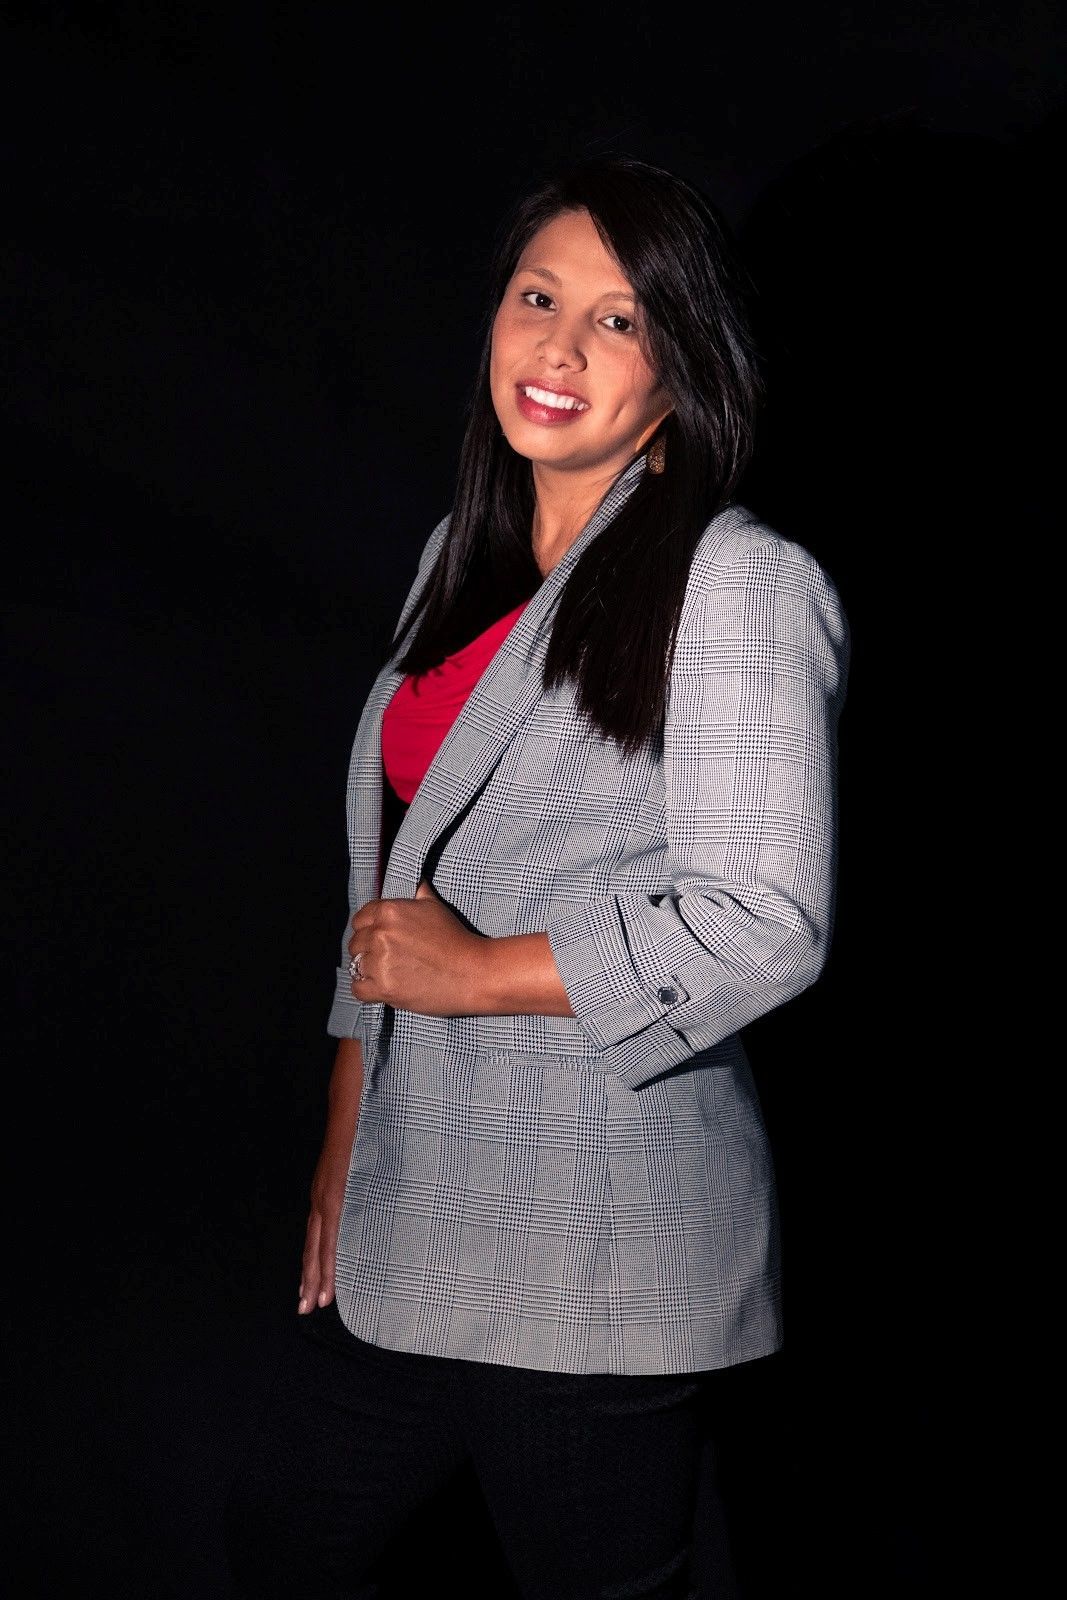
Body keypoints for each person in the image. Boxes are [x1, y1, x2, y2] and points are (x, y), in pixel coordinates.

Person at [224, 153, 850, 1599]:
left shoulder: (741, 581)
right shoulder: (461, 556)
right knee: (279, 1542)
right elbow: (392, 868)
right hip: (413, 1209)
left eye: (622, 321)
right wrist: (345, 1128)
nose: (560, 346)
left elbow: (765, 922)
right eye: (537, 298)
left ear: (686, 368)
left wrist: (480, 973)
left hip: (598, 1248)